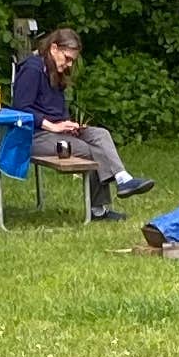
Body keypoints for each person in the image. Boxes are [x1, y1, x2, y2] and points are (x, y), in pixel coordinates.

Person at [10, 26, 151, 219]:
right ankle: (98, 210)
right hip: (33, 135)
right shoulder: (32, 69)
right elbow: (20, 109)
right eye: (67, 58)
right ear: (53, 49)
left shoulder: (55, 70)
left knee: (100, 135)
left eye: (72, 61)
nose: (69, 65)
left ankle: (123, 179)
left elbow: (56, 109)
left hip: (58, 131)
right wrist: (54, 126)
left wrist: (69, 125)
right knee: (87, 150)